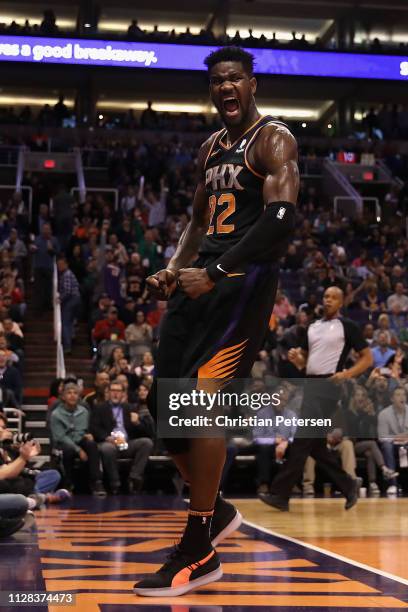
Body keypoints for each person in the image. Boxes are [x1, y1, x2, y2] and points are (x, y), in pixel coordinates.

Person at [134, 46, 299, 597]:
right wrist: (174, 268)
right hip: (199, 280)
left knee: (203, 402)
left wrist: (220, 268)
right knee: (162, 410)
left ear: (252, 85)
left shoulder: (274, 140)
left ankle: (198, 546)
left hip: (242, 286)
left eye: (234, 79)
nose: (225, 88)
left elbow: (281, 221)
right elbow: (198, 221)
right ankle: (218, 507)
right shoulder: (210, 148)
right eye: (217, 82)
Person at [259, 287, 373, 512]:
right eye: (326, 297)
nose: (328, 300)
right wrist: (297, 359)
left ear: (341, 302)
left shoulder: (347, 326)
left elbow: (367, 358)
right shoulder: (312, 327)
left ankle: (280, 494)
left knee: (302, 439)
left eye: (333, 297)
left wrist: (347, 374)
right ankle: (348, 484)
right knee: (316, 446)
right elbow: (306, 363)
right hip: (310, 384)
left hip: (329, 386)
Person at [90, 380, 154, 494]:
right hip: (109, 443)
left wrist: (137, 423)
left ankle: (134, 478)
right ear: (108, 392)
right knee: (107, 448)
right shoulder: (99, 408)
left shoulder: (129, 408)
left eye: (118, 391)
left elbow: (146, 432)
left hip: (126, 443)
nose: (115, 394)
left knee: (147, 443)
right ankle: (115, 483)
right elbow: (94, 428)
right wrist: (106, 438)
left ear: (123, 393)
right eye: (113, 390)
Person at [49, 382, 106, 496]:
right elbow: (60, 437)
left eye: (75, 393)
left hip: (79, 439)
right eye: (69, 393)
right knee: (68, 450)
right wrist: (78, 450)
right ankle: (68, 484)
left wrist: (88, 435)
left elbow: (83, 431)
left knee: (91, 444)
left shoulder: (84, 412)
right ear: (63, 396)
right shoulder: (56, 414)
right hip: (63, 443)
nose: (72, 395)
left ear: (79, 396)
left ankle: (96, 482)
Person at [378, 386, 408, 496]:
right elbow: (382, 437)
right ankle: (392, 484)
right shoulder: (384, 414)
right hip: (392, 445)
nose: (402, 397)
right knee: (386, 446)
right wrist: (398, 438)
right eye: (398, 395)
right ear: (392, 399)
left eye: (404, 394)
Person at [57, 256, 81, 354]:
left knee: (65, 322)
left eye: (61, 265)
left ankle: (67, 346)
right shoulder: (69, 274)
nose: (59, 267)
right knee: (70, 321)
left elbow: (67, 291)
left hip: (71, 299)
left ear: (66, 264)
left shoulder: (66, 274)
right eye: (58, 265)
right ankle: (71, 336)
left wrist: (60, 299)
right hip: (76, 299)